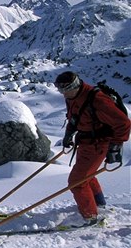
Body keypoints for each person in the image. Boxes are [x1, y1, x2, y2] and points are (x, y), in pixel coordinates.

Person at [54, 71, 130, 224]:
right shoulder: (72, 96)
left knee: (77, 181)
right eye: (59, 90)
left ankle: (90, 217)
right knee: (87, 176)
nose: (62, 94)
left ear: (74, 86)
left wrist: (115, 147)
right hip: (85, 142)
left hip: (99, 144)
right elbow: (75, 117)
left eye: (64, 90)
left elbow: (124, 123)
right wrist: (69, 134)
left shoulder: (97, 100)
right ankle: (99, 205)